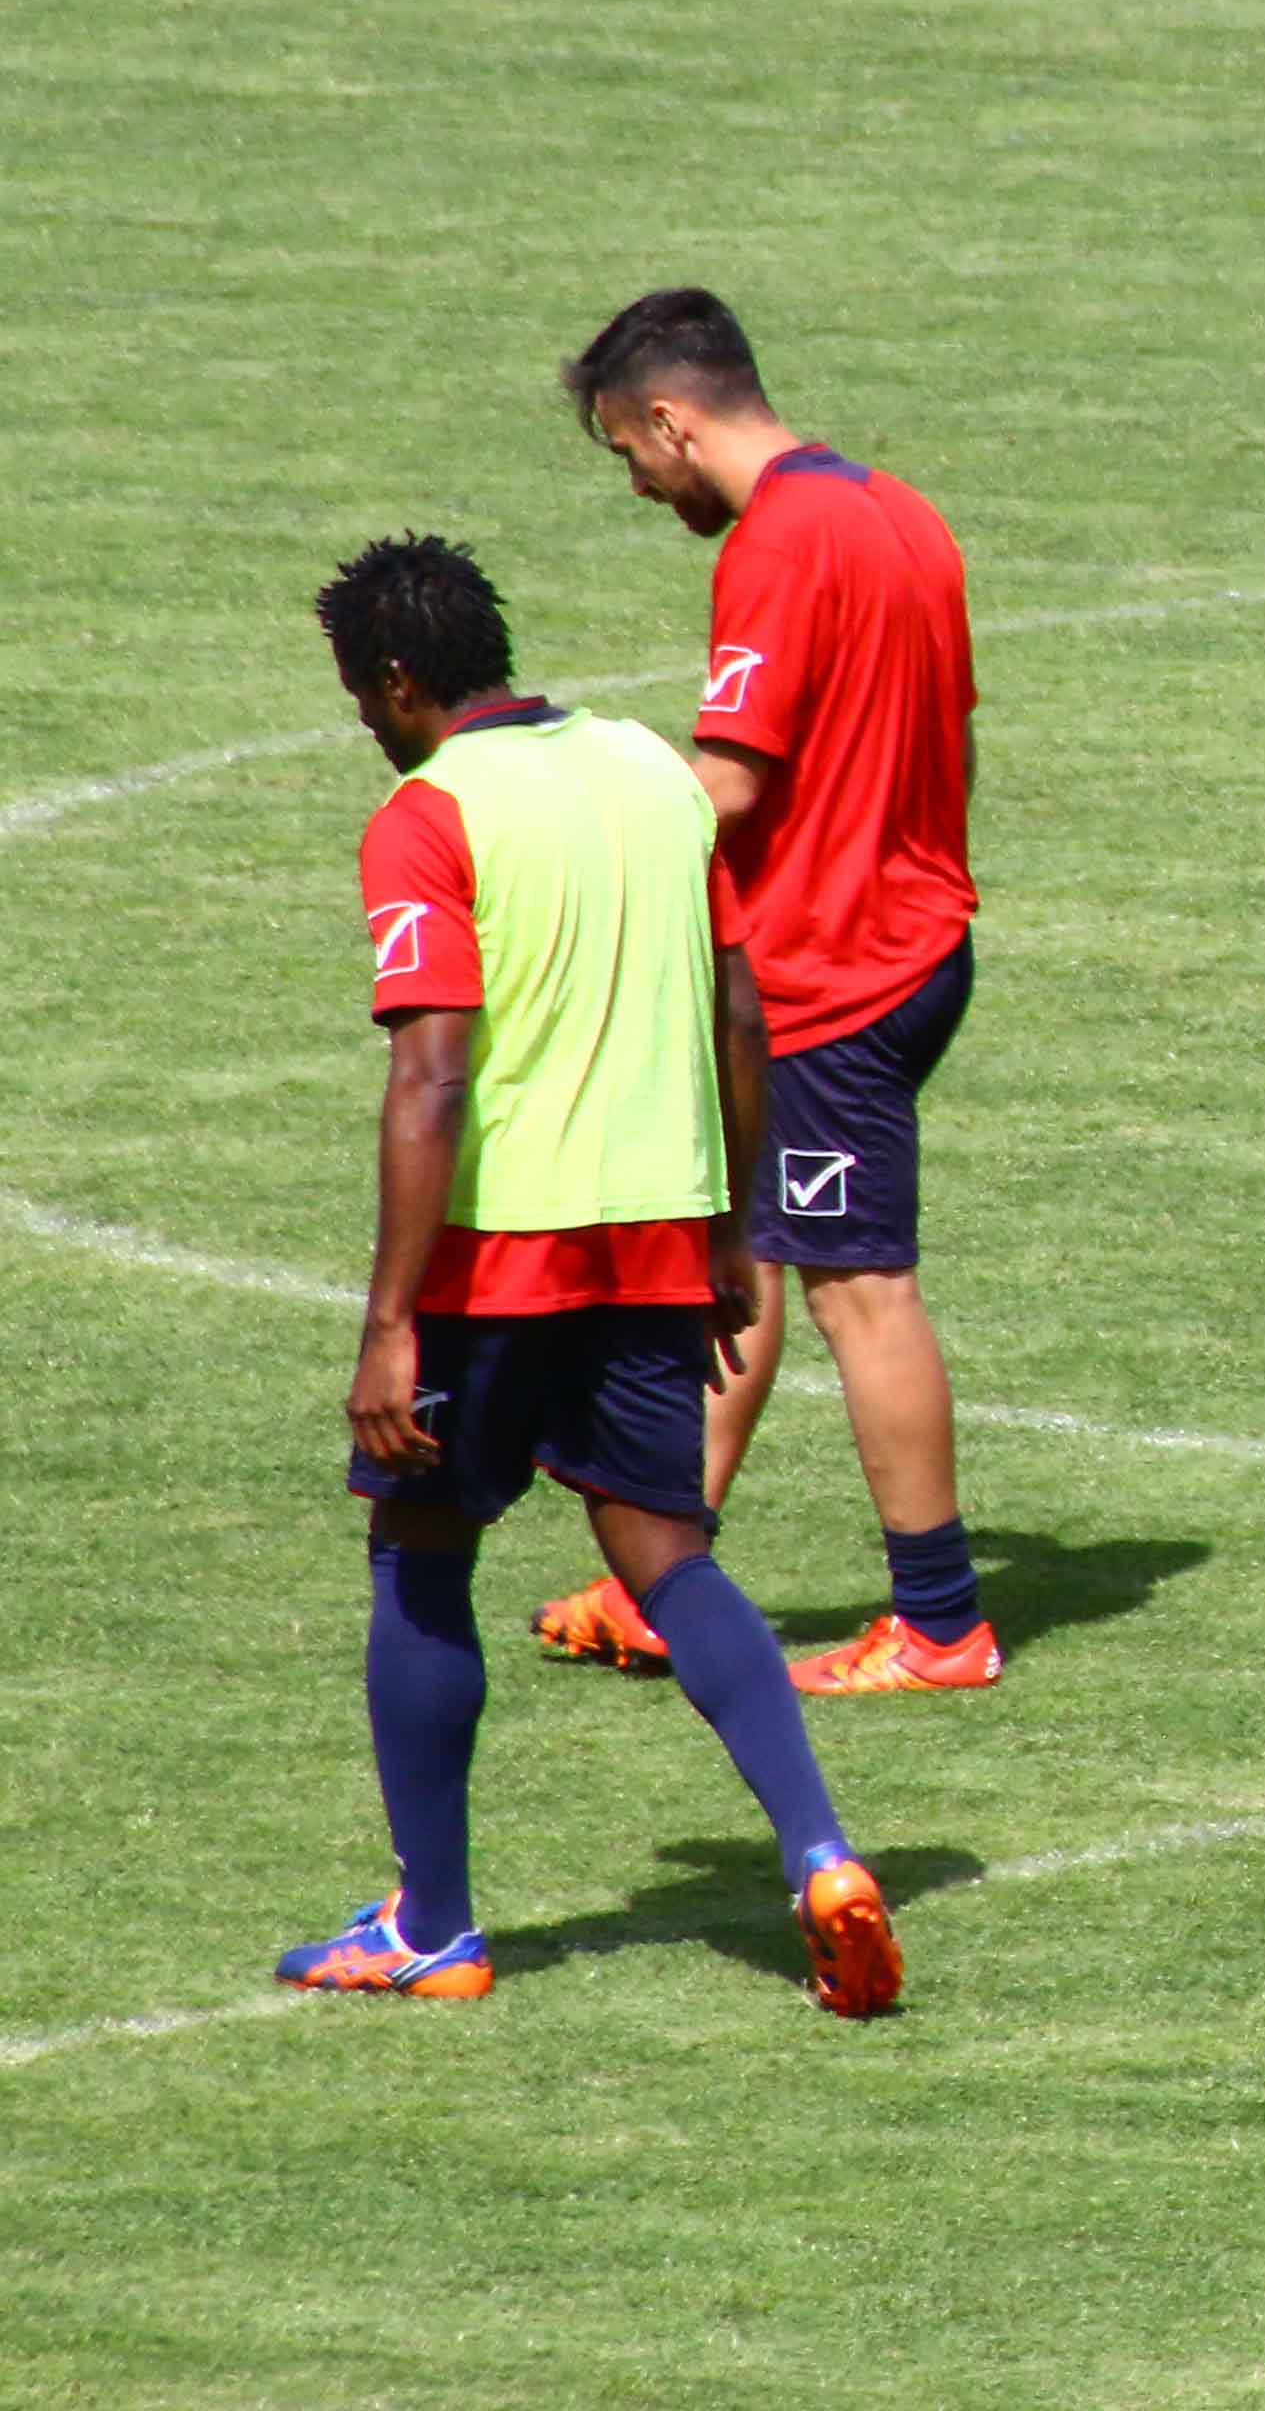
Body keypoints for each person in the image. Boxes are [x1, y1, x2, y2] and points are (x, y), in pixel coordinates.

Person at [287, 532, 901, 2016]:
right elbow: (743, 1017)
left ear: (394, 679)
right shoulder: (649, 772)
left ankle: (434, 1926)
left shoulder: (428, 818)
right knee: (668, 1559)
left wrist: (386, 1327)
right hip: (659, 1235)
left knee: (421, 1554)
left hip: (499, 1259)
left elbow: (432, 1079)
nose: (363, 726)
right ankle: (819, 1850)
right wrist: (734, 1234)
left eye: (358, 697)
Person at [552, 288, 1006, 1690]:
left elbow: (731, 784)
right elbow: (949, 735)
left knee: (857, 1288)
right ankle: (664, 1582)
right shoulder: (898, 511)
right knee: (741, 1248)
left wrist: (573, 867)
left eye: (630, 452)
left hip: (837, 976)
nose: (638, 484)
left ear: (673, 420)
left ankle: (939, 1625)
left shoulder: (781, 546)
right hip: (908, 932)